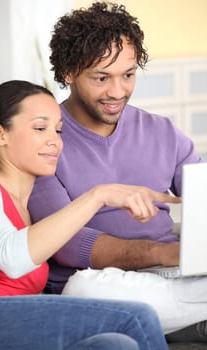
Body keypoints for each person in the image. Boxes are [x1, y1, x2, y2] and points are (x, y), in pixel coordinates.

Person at [28, 1, 207, 343]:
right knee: (83, 290)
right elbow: (66, 246)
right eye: (101, 78)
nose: (117, 91)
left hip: (172, 278)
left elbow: (203, 197)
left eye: (127, 75)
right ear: (68, 72)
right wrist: (164, 253)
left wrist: (184, 257)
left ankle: (183, 320)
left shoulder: (163, 131)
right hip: (104, 282)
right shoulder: (45, 141)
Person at [0, 79, 172, 349]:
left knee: (114, 345)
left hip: (13, 329)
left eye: (58, 131)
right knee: (135, 317)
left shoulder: (35, 205)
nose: (54, 141)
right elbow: (12, 257)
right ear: (0, 134)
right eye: (40, 128)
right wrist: (99, 194)